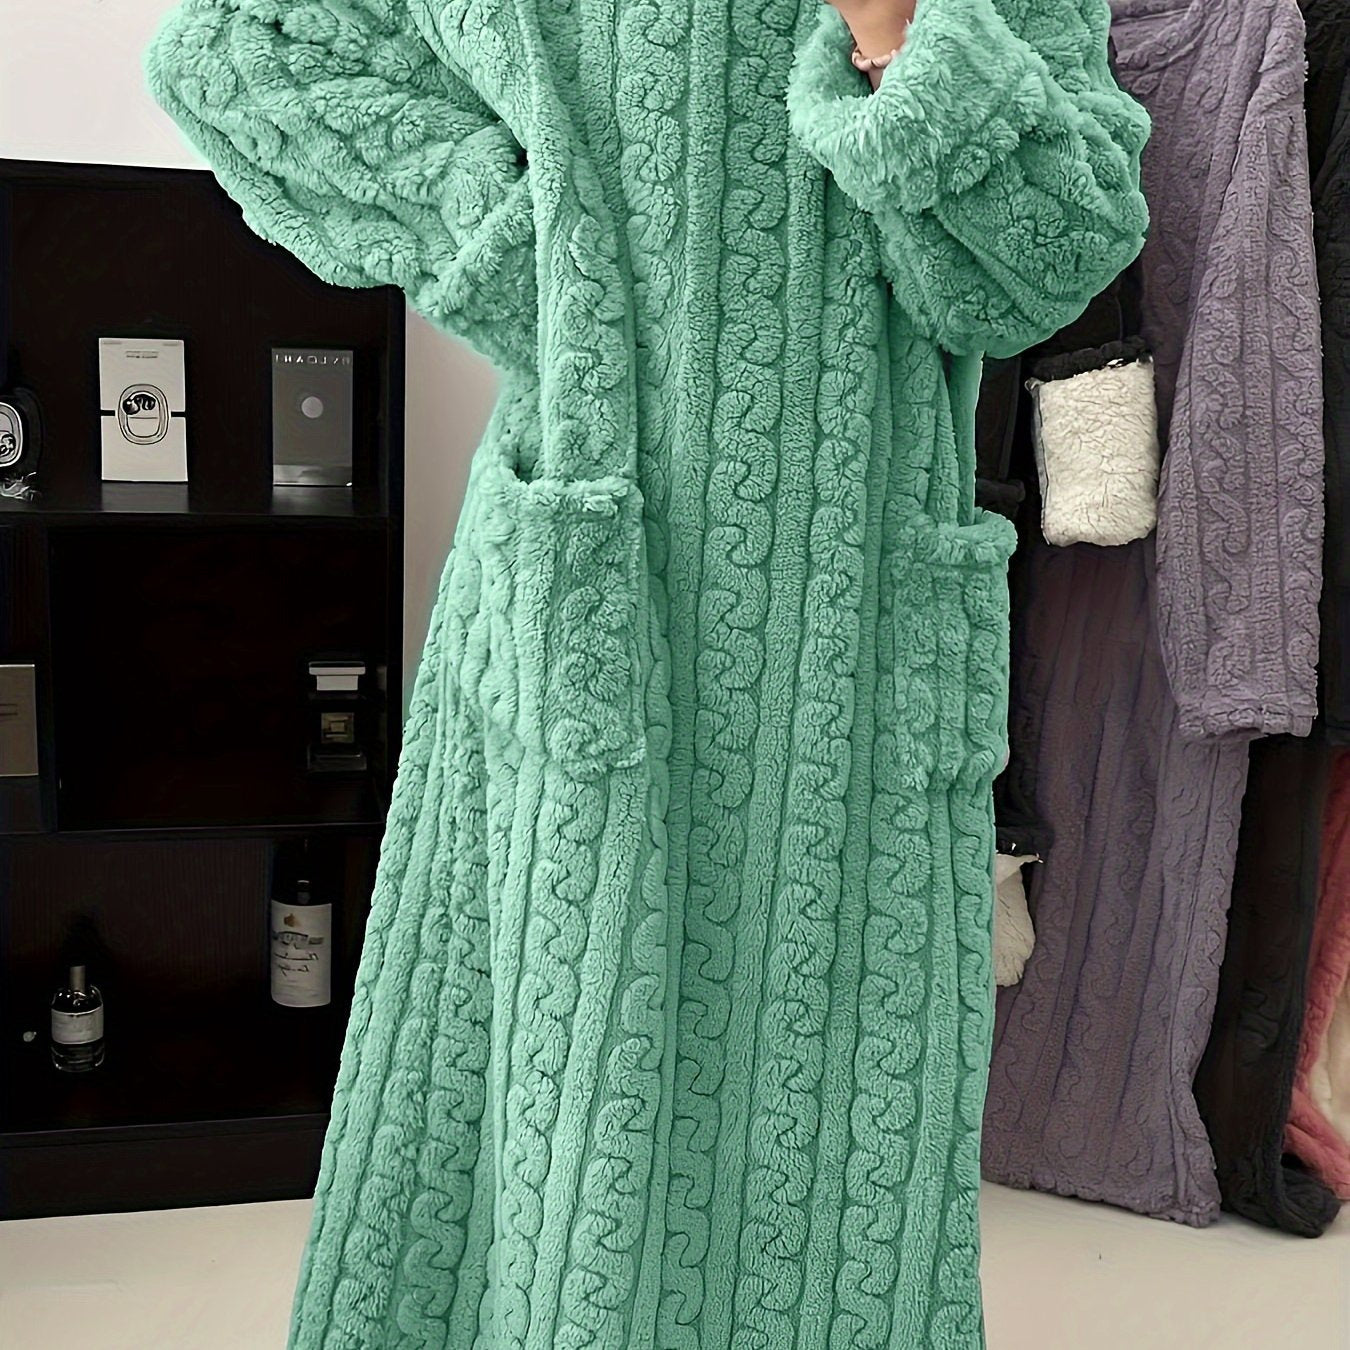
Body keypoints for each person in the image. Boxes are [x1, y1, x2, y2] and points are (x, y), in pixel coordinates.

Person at [147, 0, 1148, 1343]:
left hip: (852, 650)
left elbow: (1043, 267)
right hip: (599, 591)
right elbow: (238, 50)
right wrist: (525, 251)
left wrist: (897, 32)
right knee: (566, 1121)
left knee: (835, 1171)